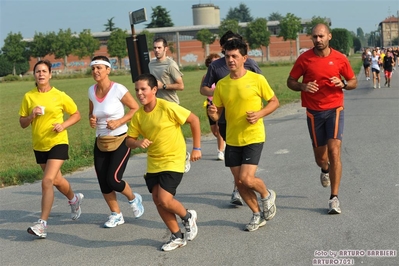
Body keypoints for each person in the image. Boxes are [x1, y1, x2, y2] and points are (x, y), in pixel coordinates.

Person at [207, 39, 279, 232]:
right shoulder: (221, 85)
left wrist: (260, 114)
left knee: (247, 179)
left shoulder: (257, 79)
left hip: (253, 136)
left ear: (244, 58)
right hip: (232, 138)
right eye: (227, 56)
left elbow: (274, 102)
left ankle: (266, 194)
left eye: (234, 56)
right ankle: (257, 214)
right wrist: (213, 112)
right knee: (239, 184)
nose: (230, 60)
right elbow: (217, 113)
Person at [286, 23, 357, 214]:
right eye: (315, 37)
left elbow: (353, 81)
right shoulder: (305, 59)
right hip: (314, 112)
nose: (318, 40)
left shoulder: (340, 59)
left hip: (335, 109)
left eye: (321, 36)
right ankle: (324, 169)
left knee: (334, 152)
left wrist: (342, 84)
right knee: (321, 157)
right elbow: (290, 81)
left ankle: (334, 198)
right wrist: (303, 86)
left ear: (329, 37)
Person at [126, 73, 201, 251]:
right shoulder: (138, 116)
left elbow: (194, 120)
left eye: (143, 89)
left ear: (154, 89)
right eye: (137, 90)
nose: (139, 93)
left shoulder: (167, 107)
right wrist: (137, 142)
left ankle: (187, 216)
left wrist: (196, 148)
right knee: (157, 200)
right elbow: (129, 140)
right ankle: (176, 236)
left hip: (173, 158)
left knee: (165, 199)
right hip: (154, 161)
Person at [19, 60, 83, 238]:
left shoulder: (59, 95)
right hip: (39, 145)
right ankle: (74, 199)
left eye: (44, 71)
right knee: (56, 180)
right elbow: (22, 123)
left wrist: (63, 125)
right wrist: (32, 115)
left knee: (47, 181)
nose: (41, 74)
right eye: (38, 71)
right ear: (34, 75)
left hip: (58, 142)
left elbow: (76, 114)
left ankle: (42, 224)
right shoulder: (29, 97)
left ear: (50, 74)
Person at [201, 30, 262, 206]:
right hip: (225, 119)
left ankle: (247, 187)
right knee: (236, 160)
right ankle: (239, 187)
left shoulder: (249, 63)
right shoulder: (216, 66)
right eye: (228, 48)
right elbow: (204, 88)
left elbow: (261, 84)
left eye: (235, 45)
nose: (231, 57)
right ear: (223, 49)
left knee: (245, 163)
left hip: (247, 121)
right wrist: (221, 92)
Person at [88, 56, 144, 228]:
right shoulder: (91, 90)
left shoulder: (118, 89)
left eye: (99, 68)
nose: (96, 71)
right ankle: (116, 214)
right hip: (101, 141)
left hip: (121, 140)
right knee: (103, 182)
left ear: (108, 70)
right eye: (93, 68)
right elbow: (92, 114)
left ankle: (133, 198)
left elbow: (135, 108)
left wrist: (119, 121)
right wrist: (92, 121)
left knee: (113, 179)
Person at [148, 37, 191, 173]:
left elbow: (181, 85)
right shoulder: (151, 65)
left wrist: (163, 85)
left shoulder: (170, 65)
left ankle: (184, 156)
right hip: (157, 105)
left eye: (159, 48)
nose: (156, 50)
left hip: (171, 104)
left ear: (165, 49)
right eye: (155, 48)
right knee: (160, 134)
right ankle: (162, 163)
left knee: (174, 135)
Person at [201, 53, 225, 160]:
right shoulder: (206, 77)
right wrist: (214, 91)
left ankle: (220, 151)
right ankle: (224, 141)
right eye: (212, 62)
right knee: (214, 131)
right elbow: (202, 90)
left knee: (219, 128)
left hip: (220, 104)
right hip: (210, 104)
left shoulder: (223, 76)